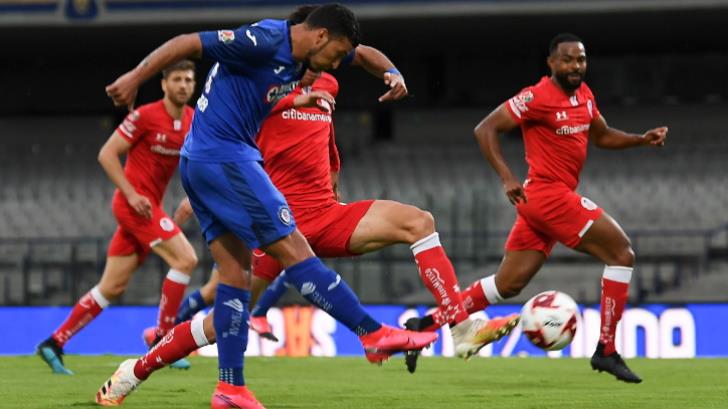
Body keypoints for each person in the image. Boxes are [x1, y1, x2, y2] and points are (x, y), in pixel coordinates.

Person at [96, 5, 435, 408]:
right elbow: (189, 42)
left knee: (236, 278)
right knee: (295, 249)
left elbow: (361, 54)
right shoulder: (261, 41)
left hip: (204, 162)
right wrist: (136, 77)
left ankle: (218, 386)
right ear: (320, 36)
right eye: (333, 55)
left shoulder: (311, 53)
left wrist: (390, 72)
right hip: (225, 157)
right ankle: (370, 333)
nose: (334, 66)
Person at [174, 70, 519, 357]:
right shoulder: (264, 86)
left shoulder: (328, 83)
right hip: (275, 223)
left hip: (324, 213)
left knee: (419, 221)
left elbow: (325, 133)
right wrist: (208, 188)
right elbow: (227, 137)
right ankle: (146, 360)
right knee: (226, 312)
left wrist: (334, 168)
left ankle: (460, 327)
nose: (335, 61)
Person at [405, 33, 667, 381]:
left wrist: (640, 139)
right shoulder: (537, 96)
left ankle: (423, 326)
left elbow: (601, 136)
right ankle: (606, 349)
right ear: (552, 63)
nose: (576, 66)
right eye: (568, 59)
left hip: (541, 204)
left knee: (506, 285)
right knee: (622, 254)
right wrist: (506, 177)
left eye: (581, 60)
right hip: (548, 196)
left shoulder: (584, 95)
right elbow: (485, 129)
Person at [36, 60, 199, 375]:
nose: (183, 85)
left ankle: (54, 342)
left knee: (111, 287)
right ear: (164, 85)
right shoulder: (145, 116)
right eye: (176, 79)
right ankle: (163, 339)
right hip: (133, 205)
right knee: (186, 259)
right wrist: (131, 193)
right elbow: (106, 154)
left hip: (150, 208)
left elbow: (203, 162)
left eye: (188, 80)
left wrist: (192, 197)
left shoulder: (193, 121)